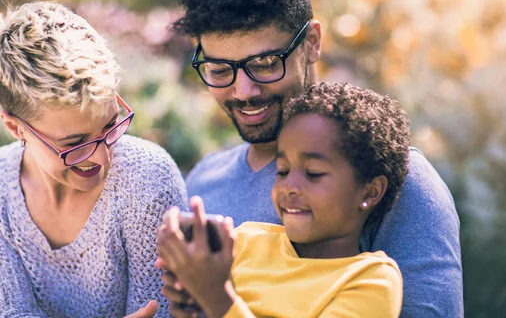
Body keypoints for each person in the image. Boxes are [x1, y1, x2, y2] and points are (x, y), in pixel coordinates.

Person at [0, 0, 463, 317]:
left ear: (311, 42)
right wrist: (12, 241)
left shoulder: (396, 180)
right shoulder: (203, 186)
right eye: (220, 69)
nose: (244, 91)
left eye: (265, 63)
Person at [0, 1, 185, 317]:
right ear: (15, 128)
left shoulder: (146, 178)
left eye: (110, 125)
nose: (102, 155)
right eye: (74, 144)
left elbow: (158, 312)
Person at [157, 83, 408, 318]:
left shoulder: (371, 279)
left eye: (313, 173)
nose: (289, 187)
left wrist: (217, 298)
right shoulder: (246, 241)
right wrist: (194, 299)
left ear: (370, 192)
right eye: (282, 171)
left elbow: (222, 304)